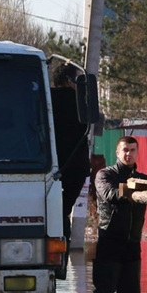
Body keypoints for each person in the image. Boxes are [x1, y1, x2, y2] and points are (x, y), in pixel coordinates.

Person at [91, 135, 147, 293]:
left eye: (132, 150)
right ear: (117, 153)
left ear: (137, 152)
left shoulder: (144, 179)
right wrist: (132, 193)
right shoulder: (105, 175)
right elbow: (109, 194)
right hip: (109, 245)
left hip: (132, 247)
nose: (128, 154)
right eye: (125, 150)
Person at [49, 62, 90, 240]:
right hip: (73, 167)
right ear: (69, 80)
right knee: (62, 214)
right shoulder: (78, 102)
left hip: (48, 167)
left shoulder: (45, 98)